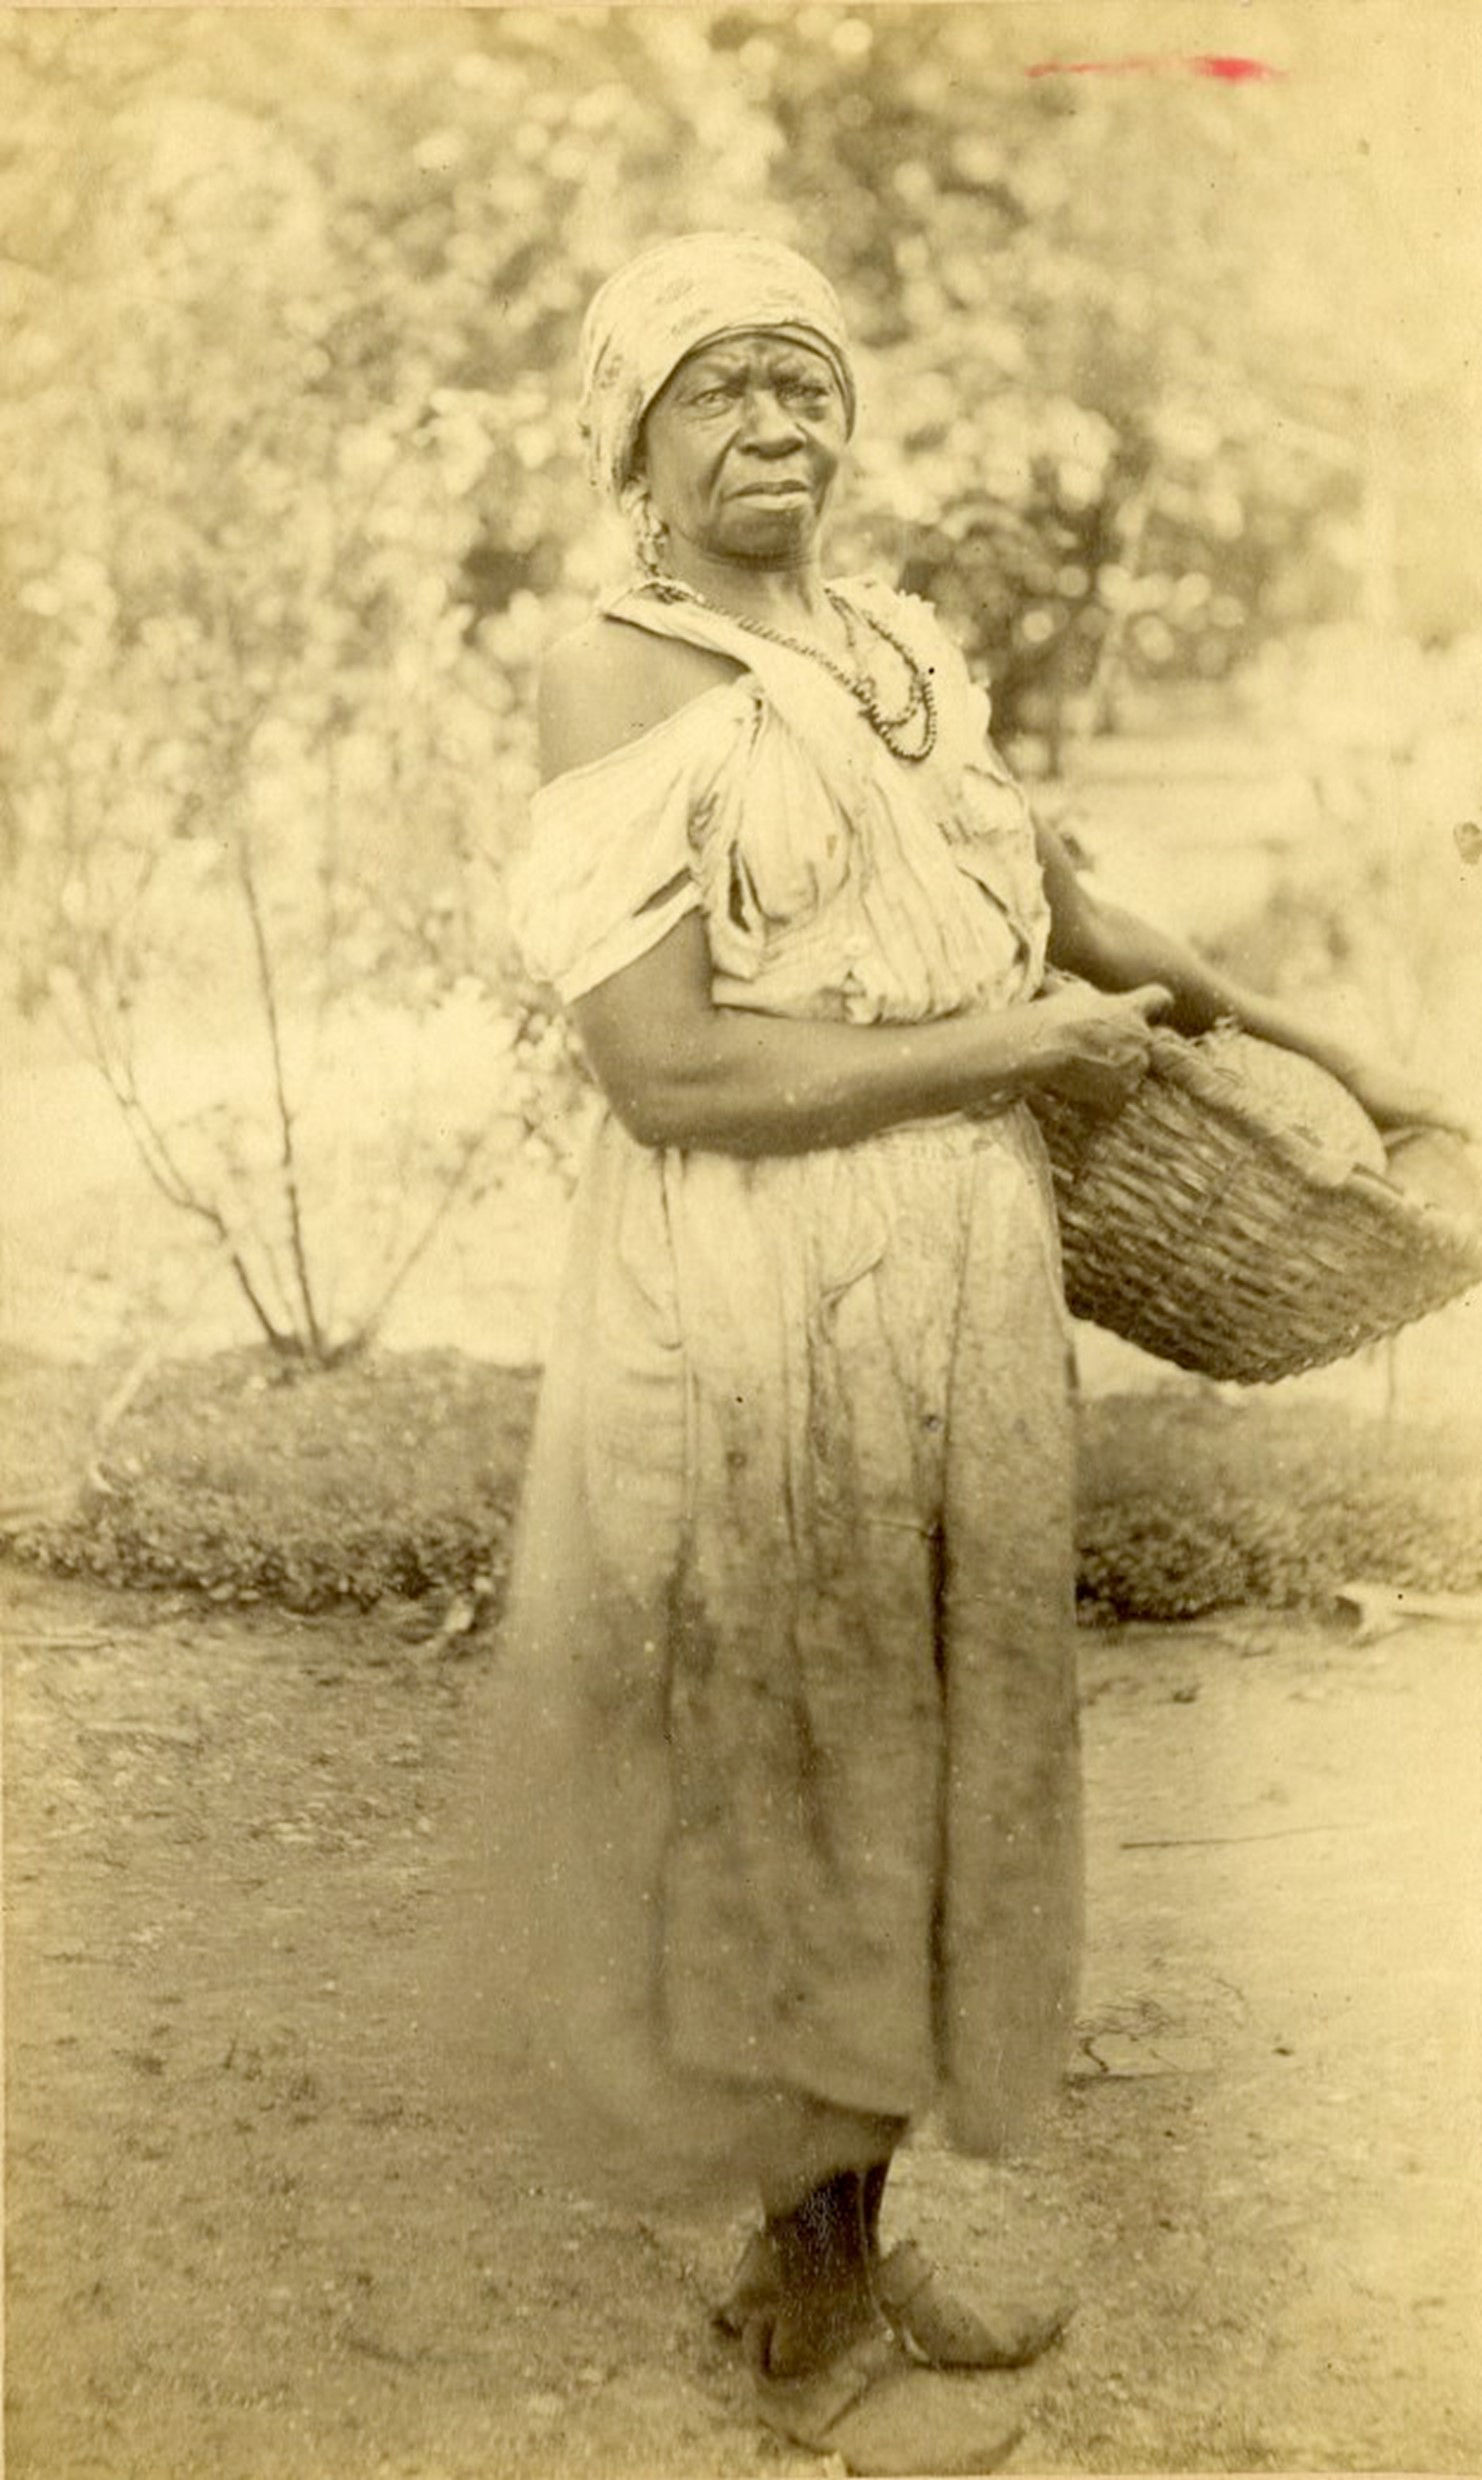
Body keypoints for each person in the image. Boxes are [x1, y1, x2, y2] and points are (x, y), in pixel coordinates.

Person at [461, 232, 1456, 2474]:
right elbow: (670, 1073)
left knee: (925, 1738)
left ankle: (842, 2230)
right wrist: (1016, 1046)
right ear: (633, 436)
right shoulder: (613, 679)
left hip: (959, 1268)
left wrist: (1341, 1060)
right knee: (802, 1750)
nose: (777, 428)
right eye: (719, 391)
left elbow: (1068, 900)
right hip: (751, 1285)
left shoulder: (894, 649)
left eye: (807, 385)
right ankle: (805, 2313)